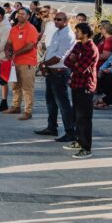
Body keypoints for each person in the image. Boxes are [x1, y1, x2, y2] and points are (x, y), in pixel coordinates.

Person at [36, 12, 76, 141]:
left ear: (66, 21)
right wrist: (45, 64)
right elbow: (50, 50)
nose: (56, 21)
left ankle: (70, 132)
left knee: (63, 103)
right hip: (52, 71)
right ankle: (51, 127)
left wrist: (44, 64)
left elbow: (60, 57)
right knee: (51, 102)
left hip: (60, 72)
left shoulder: (67, 35)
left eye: (59, 20)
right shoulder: (58, 32)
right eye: (55, 19)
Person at [65, 23, 99, 159]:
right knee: (77, 115)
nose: (75, 33)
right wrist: (75, 61)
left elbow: (81, 69)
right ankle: (79, 141)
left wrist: (75, 61)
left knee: (84, 117)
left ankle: (86, 147)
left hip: (86, 85)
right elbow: (67, 61)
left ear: (85, 33)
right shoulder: (79, 45)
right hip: (75, 84)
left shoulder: (91, 48)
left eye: (78, 31)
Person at [4, 8, 40, 120]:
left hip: (27, 62)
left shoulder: (31, 28)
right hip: (15, 62)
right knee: (15, 86)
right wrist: (7, 50)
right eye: (18, 13)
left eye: (23, 14)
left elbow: (30, 45)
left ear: (28, 16)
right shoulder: (14, 29)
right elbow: (9, 43)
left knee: (27, 88)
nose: (20, 15)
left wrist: (16, 53)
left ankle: (28, 111)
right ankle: (16, 106)